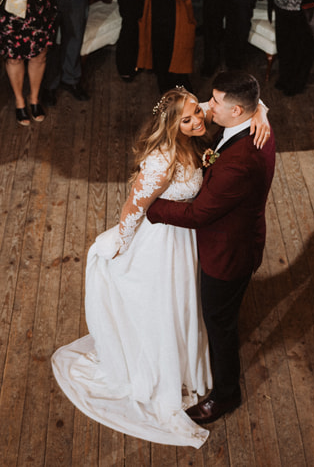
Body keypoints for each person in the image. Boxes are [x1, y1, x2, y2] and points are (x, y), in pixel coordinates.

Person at [51, 88, 213, 447]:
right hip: (162, 245)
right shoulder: (162, 161)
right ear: (172, 124)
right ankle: (162, 372)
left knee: (184, 304)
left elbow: (236, 104)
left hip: (185, 241)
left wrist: (259, 113)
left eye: (196, 113)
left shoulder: (193, 130)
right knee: (166, 308)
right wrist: (120, 246)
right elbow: (133, 207)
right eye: (187, 119)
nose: (197, 120)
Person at [146, 71, 277, 426]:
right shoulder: (251, 122)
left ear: (236, 112)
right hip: (242, 235)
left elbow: (200, 212)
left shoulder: (239, 162)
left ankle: (225, 394)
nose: (207, 106)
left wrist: (153, 209)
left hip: (228, 253)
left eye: (215, 102)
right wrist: (262, 109)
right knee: (222, 314)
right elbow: (248, 99)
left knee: (220, 322)